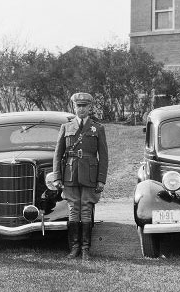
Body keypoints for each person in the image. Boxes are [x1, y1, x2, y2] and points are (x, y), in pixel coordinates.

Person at [53, 92, 109, 261]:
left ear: (89, 108)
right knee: (73, 210)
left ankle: (85, 249)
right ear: (74, 107)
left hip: (90, 175)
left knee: (86, 210)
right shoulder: (66, 127)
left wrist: (101, 179)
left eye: (85, 106)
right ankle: (74, 248)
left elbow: (104, 156)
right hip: (70, 174)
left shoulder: (97, 128)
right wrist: (57, 177)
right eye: (79, 106)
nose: (81, 109)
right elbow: (58, 154)